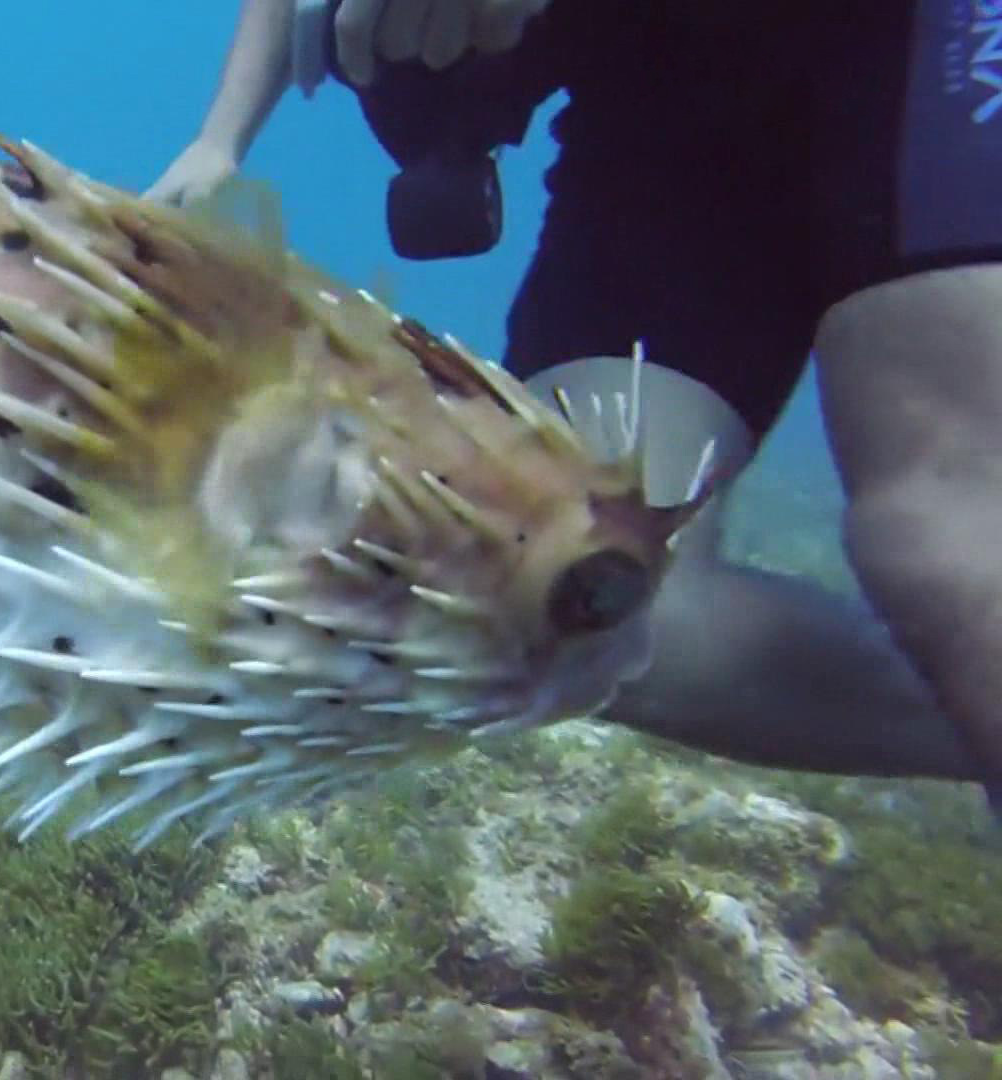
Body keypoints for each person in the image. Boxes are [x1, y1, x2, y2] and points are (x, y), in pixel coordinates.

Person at [151, 0, 1002, 793]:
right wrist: (218, 140)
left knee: (944, 537)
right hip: (660, 140)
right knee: (573, 604)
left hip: (908, 45)